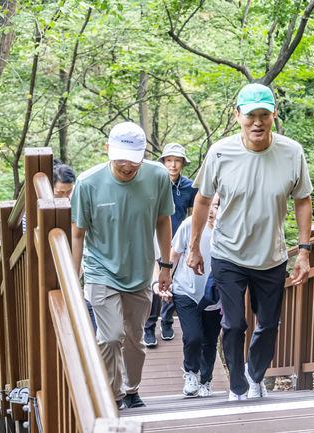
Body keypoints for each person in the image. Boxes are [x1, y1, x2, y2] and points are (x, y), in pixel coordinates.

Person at [186, 83, 313, 401]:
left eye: (264, 115)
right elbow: (202, 200)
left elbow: (302, 200)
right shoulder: (220, 152)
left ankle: (255, 376)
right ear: (237, 115)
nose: (257, 122)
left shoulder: (292, 152)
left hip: (271, 255)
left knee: (268, 324)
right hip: (227, 253)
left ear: (273, 115)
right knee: (233, 324)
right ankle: (237, 386)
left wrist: (304, 251)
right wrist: (194, 247)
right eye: (250, 115)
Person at [71, 121, 174, 410]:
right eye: (121, 160)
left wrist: (165, 267)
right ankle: (112, 395)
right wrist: (72, 279)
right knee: (110, 336)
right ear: (108, 150)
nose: (128, 167)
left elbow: (163, 221)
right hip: (100, 270)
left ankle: (131, 389)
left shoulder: (158, 176)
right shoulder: (87, 183)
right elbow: (77, 234)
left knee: (134, 339)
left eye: (134, 161)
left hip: (140, 271)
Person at [157, 194, 221, 397]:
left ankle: (206, 381)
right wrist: (166, 279)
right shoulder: (188, 225)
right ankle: (191, 372)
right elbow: (174, 254)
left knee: (210, 341)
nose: (211, 211)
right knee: (193, 337)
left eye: (217, 206)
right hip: (185, 290)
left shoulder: (228, 230)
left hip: (214, 295)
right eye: (208, 205)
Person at [143, 143, 198, 346]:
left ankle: (166, 322)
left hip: (178, 244)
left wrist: (192, 244)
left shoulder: (190, 187)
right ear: (163, 162)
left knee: (173, 283)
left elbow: (194, 217)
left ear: (183, 164)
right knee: (154, 284)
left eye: (177, 161)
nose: (173, 165)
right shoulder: (153, 183)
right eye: (169, 160)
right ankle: (149, 327)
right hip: (155, 242)